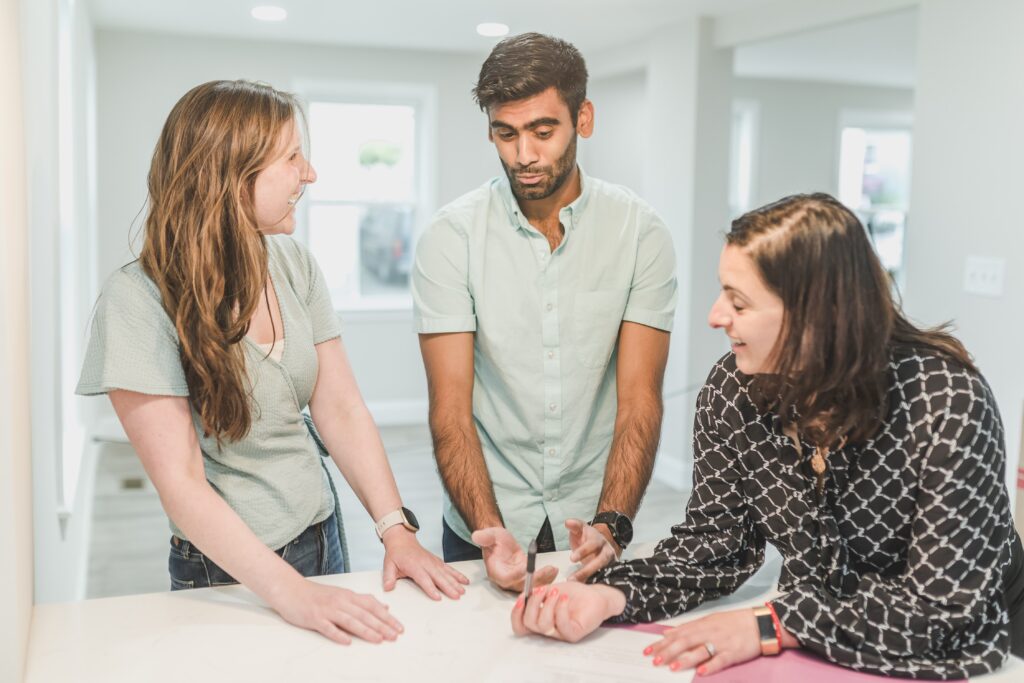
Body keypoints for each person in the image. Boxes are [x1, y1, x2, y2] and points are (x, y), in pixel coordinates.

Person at [511, 193, 1024, 679]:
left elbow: (945, 610)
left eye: (739, 302)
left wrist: (771, 624)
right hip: (819, 643)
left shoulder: (946, 402)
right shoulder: (732, 391)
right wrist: (609, 596)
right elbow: (718, 543)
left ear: (816, 319)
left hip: (982, 644)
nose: (715, 316)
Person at [77, 80, 468, 645]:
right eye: (291, 157)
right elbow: (182, 487)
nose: (308, 174)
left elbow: (341, 407)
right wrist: (291, 592)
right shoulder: (137, 301)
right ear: (231, 175)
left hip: (323, 535)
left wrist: (395, 530)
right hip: (228, 573)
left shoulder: (293, 263)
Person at [412, 32, 677, 591]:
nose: (524, 155)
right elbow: (451, 410)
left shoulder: (640, 232)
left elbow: (639, 401)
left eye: (542, 131)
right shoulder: (450, 237)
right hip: (482, 518)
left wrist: (613, 520)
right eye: (505, 134)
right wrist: (489, 529)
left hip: (593, 521)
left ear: (583, 118)